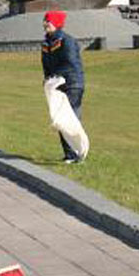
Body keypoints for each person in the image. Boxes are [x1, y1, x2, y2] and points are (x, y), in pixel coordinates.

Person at [41, 10, 85, 163]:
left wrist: (54, 76)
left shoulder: (67, 41)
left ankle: (77, 153)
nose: (46, 24)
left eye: (49, 21)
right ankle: (70, 154)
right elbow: (46, 66)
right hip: (57, 84)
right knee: (59, 118)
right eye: (45, 21)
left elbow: (70, 64)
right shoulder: (46, 43)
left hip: (72, 83)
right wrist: (47, 79)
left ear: (57, 24)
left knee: (69, 118)